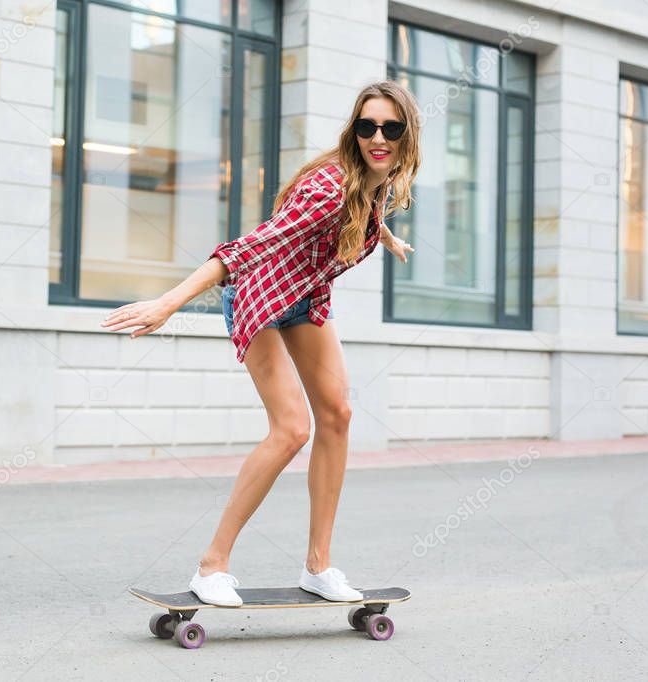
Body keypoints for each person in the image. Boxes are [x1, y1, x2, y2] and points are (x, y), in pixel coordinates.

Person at [100, 81, 420, 606]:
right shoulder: (327, 189)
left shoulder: (379, 179)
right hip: (259, 295)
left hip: (306, 296)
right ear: (354, 131)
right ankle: (212, 565)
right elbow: (248, 249)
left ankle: (318, 566)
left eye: (390, 128)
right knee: (292, 429)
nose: (377, 138)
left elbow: (368, 210)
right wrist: (169, 303)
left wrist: (387, 236)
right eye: (366, 127)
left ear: (407, 134)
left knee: (337, 415)